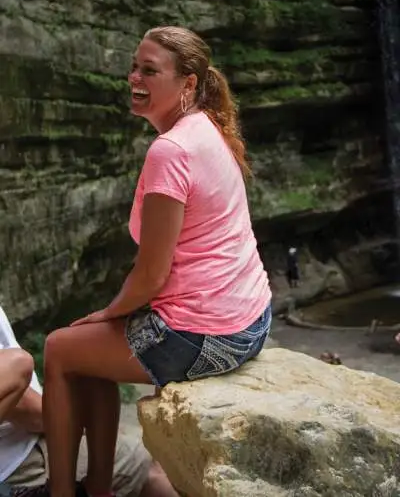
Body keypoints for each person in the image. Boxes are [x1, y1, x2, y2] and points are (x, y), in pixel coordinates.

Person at [40, 25, 272, 497]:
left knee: (59, 350)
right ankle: (98, 488)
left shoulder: (170, 151)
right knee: (87, 350)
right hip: (252, 320)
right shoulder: (208, 126)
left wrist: (107, 313)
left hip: (208, 335)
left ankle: (64, 491)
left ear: (188, 84)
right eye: (133, 67)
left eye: (150, 70)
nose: (134, 78)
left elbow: (151, 274)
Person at [0, 305, 177, 497]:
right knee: (144, 461)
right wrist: (75, 425)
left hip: (27, 441)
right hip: (24, 460)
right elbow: (30, 412)